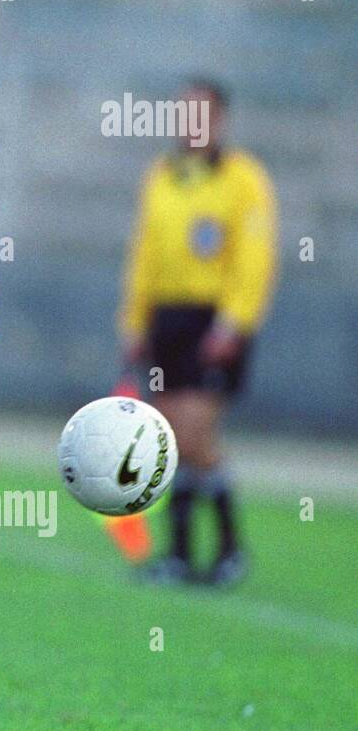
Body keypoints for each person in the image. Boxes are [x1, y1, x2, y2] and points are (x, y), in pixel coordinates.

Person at [119, 80, 278, 586]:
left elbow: (255, 256)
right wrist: (135, 321)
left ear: (220, 120)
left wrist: (234, 323)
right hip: (167, 321)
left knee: (195, 433)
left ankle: (228, 549)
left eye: (201, 114)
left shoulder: (244, 179)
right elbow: (144, 253)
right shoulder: (162, 176)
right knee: (170, 438)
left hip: (214, 322)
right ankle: (183, 557)